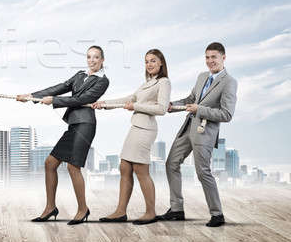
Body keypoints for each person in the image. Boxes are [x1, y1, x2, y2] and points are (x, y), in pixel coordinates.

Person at [17, 46, 109, 225]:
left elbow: (82, 100)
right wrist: (31, 96)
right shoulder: (80, 75)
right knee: (50, 163)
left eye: (96, 57)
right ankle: (50, 208)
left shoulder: (103, 81)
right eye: (89, 57)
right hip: (74, 124)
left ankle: (83, 209)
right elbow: (61, 87)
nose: (92, 60)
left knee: (73, 167)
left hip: (85, 125)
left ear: (102, 60)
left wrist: (54, 101)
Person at [158, 42, 237, 227]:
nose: (210, 61)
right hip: (188, 128)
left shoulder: (229, 82)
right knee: (171, 163)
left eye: (214, 57)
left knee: (202, 172)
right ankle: (177, 209)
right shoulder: (202, 76)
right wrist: (172, 105)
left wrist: (199, 109)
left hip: (205, 132)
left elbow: (227, 114)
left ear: (223, 58)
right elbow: (190, 100)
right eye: (207, 57)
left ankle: (217, 214)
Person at [93, 49, 171, 225]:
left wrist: (136, 105)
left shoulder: (164, 82)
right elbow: (129, 98)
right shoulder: (147, 83)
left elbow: (162, 108)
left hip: (146, 129)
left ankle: (150, 212)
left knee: (140, 169)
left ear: (161, 63)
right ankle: (120, 212)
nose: (149, 64)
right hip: (136, 127)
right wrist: (104, 104)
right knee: (124, 167)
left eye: (153, 61)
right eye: (146, 61)